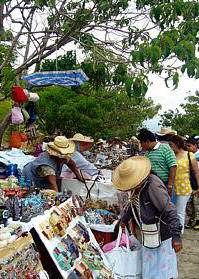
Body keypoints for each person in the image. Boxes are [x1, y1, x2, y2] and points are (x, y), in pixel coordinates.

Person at [112, 157, 182, 279]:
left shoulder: (153, 186)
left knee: (163, 271)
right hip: (149, 235)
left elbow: (169, 210)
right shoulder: (138, 187)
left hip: (162, 236)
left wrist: (176, 237)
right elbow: (133, 204)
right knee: (151, 270)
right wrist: (123, 220)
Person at [168, 135, 199, 232]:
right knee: (173, 210)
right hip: (172, 187)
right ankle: (174, 230)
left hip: (184, 188)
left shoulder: (189, 155)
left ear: (177, 144)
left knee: (180, 211)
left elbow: (197, 172)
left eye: (171, 144)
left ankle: (178, 232)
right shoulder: (171, 155)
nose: (170, 147)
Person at [137, 129, 177, 200]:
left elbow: (173, 167)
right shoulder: (147, 153)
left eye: (141, 143)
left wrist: (170, 186)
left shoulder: (165, 148)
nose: (141, 146)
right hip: (153, 185)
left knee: (166, 208)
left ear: (147, 141)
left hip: (164, 184)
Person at [184, 137, 199, 230]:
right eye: (186, 146)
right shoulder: (186, 155)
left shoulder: (196, 155)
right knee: (189, 205)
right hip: (189, 183)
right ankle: (191, 219)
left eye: (189, 146)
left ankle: (197, 221)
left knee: (197, 204)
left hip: (196, 183)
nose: (188, 148)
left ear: (195, 146)